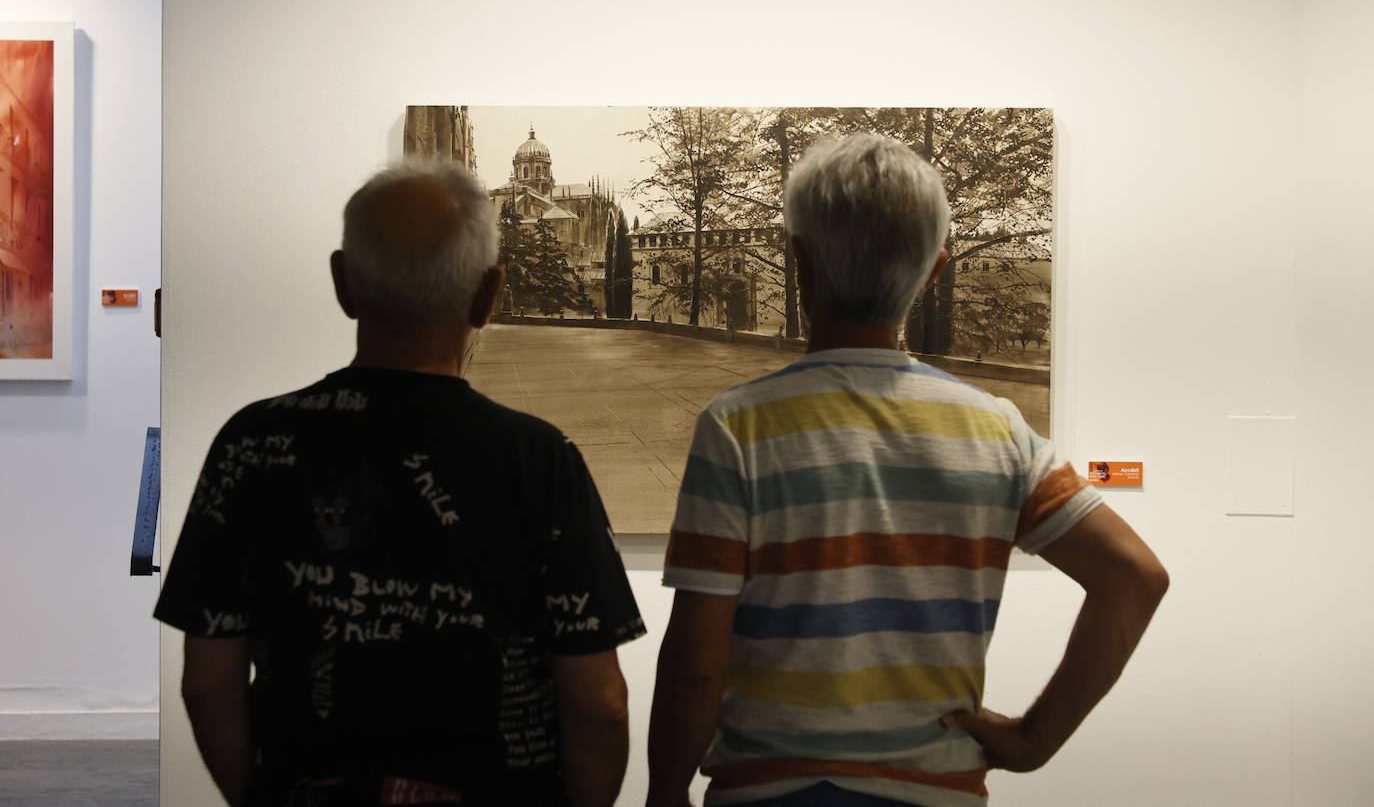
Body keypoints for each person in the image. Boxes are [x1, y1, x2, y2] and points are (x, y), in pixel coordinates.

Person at [647, 134, 1168, 807]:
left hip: (770, 788)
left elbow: (695, 665)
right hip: (937, 788)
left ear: (799, 262)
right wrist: (1035, 741)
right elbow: (1135, 576)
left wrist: (664, 791)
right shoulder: (999, 430)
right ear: (935, 272)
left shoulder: (739, 425)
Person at [155, 160, 645, 807]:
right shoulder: (540, 458)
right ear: (488, 294)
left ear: (342, 283)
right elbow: (600, 705)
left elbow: (207, 681)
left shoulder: (249, 442)